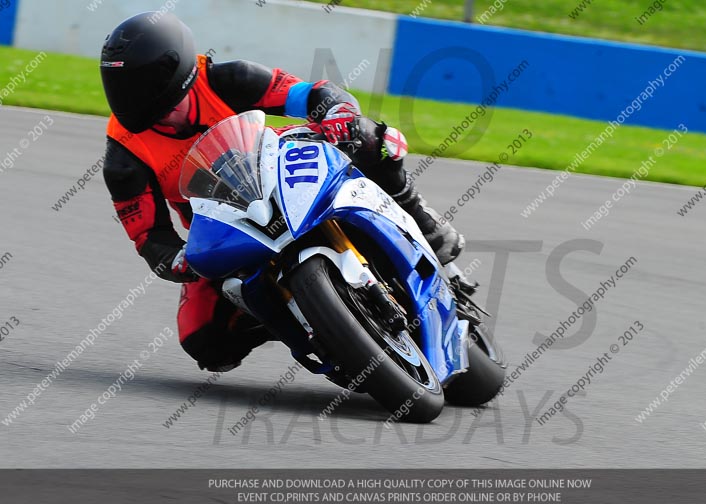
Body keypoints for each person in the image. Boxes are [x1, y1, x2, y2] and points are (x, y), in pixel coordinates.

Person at [100, 12, 464, 373]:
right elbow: (149, 236)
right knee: (204, 341)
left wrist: (336, 112)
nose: (142, 104)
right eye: (125, 90)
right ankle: (309, 320)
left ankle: (425, 223)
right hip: (226, 232)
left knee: (370, 139)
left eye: (149, 91)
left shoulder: (228, 79)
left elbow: (312, 94)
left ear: (182, 75)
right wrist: (176, 260)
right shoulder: (124, 156)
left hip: (289, 176)